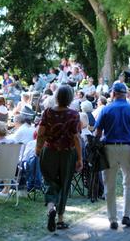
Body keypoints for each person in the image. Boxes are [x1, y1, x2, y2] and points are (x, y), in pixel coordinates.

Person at [95, 82, 130, 230]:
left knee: (109, 185)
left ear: (113, 94)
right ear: (125, 94)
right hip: (128, 149)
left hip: (109, 148)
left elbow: (97, 133)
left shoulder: (106, 109)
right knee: (128, 183)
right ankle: (126, 216)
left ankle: (112, 219)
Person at [35, 85, 83, 232]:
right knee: (64, 184)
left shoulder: (48, 112)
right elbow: (76, 138)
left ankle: (51, 208)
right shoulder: (74, 115)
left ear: (56, 97)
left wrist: (38, 149)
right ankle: (60, 219)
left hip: (49, 152)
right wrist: (80, 158)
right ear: (70, 98)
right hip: (67, 154)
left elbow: (41, 133)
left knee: (49, 182)